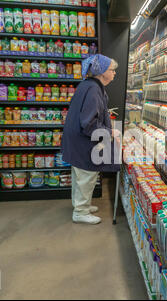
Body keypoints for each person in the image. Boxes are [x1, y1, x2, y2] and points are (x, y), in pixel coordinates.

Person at [62, 54, 121, 225]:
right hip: (83, 142)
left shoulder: (89, 85)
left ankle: (80, 205)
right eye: (112, 70)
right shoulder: (94, 90)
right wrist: (110, 133)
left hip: (76, 140)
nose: (114, 73)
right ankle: (80, 212)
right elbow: (88, 124)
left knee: (79, 175)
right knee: (86, 176)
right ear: (102, 72)